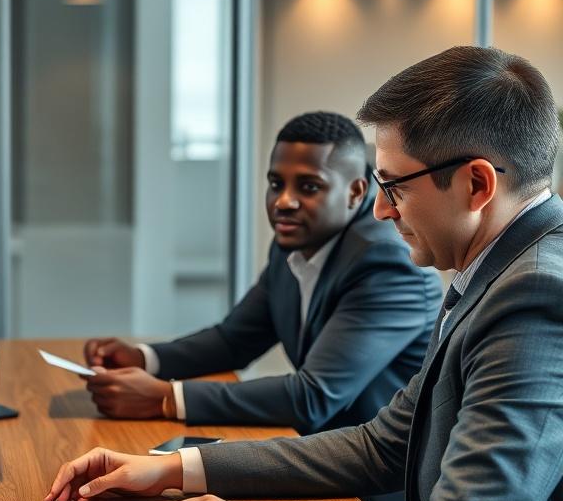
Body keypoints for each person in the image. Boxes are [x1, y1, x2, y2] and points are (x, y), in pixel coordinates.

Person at [45, 46, 563, 501]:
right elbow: (383, 444)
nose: (379, 210)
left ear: (476, 184)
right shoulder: (500, 270)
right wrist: (175, 468)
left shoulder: (535, 295)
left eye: (393, 185)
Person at [83, 112, 441, 436]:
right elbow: (234, 340)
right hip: (320, 451)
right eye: (275, 183)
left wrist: (165, 398)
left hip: (380, 487)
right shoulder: (295, 242)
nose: (283, 201)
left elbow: (313, 397)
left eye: (308, 186)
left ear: (354, 192)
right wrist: (144, 358)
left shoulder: (387, 262)